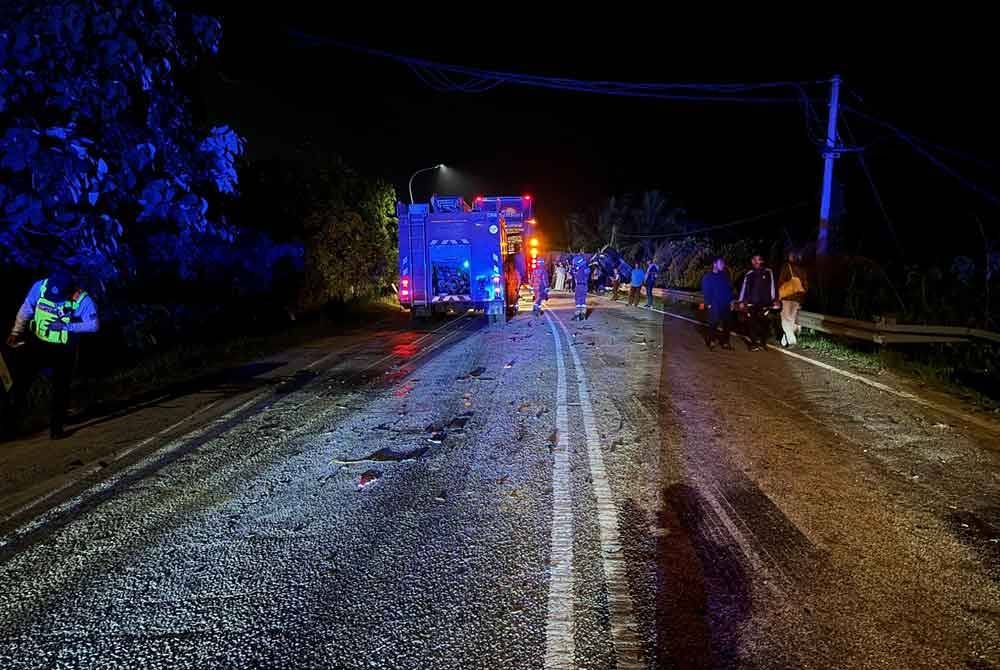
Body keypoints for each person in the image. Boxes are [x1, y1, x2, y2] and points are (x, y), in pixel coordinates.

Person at [5, 269, 99, 439]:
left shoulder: (82, 299)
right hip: (38, 343)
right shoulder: (40, 287)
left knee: (60, 388)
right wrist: (16, 332)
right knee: (21, 384)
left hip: (64, 350)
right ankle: (9, 425)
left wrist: (67, 327)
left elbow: (93, 325)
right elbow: (27, 308)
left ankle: (56, 428)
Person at [737, 254, 780, 351]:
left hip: (765, 304)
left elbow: (773, 286)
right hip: (752, 304)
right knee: (752, 324)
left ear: (761, 261)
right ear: (752, 261)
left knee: (764, 324)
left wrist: (775, 300)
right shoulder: (749, 274)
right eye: (754, 260)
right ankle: (754, 344)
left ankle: (763, 342)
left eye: (758, 260)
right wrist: (742, 301)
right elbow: (744, 288)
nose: (756, 262)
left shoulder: (768, 272)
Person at [701, 257, 734, 350]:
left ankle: (726, 343)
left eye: (723, 263)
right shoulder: (708, 276)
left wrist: (731, 301)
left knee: (727, 324)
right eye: (721, 263)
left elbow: (729, 289)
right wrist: (708, 303)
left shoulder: (724, 276)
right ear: (715, 264)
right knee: (713, 323)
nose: (723, 265)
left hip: (725, 303)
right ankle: (711, 341)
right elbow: (706, 291)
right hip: (714, 303)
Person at [778, 251, 808, 347]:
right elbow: (806, 285)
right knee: (792, 319)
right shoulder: (803, 269)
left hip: (786, 297)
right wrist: (802, 294)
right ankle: (785, 338)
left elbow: (780, 282)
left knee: (786, 319)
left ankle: (791, 340)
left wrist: (778, 295)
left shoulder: (786, 267)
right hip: (798, 298)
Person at [572, 255, 590, 320]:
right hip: (579, 285)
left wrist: (576, 269)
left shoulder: (584, 269)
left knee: (581, 299)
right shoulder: (583, 268)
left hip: (582, 285)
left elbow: (580, 275)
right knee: (578, 299)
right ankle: (579, 314)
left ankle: (582, 314)